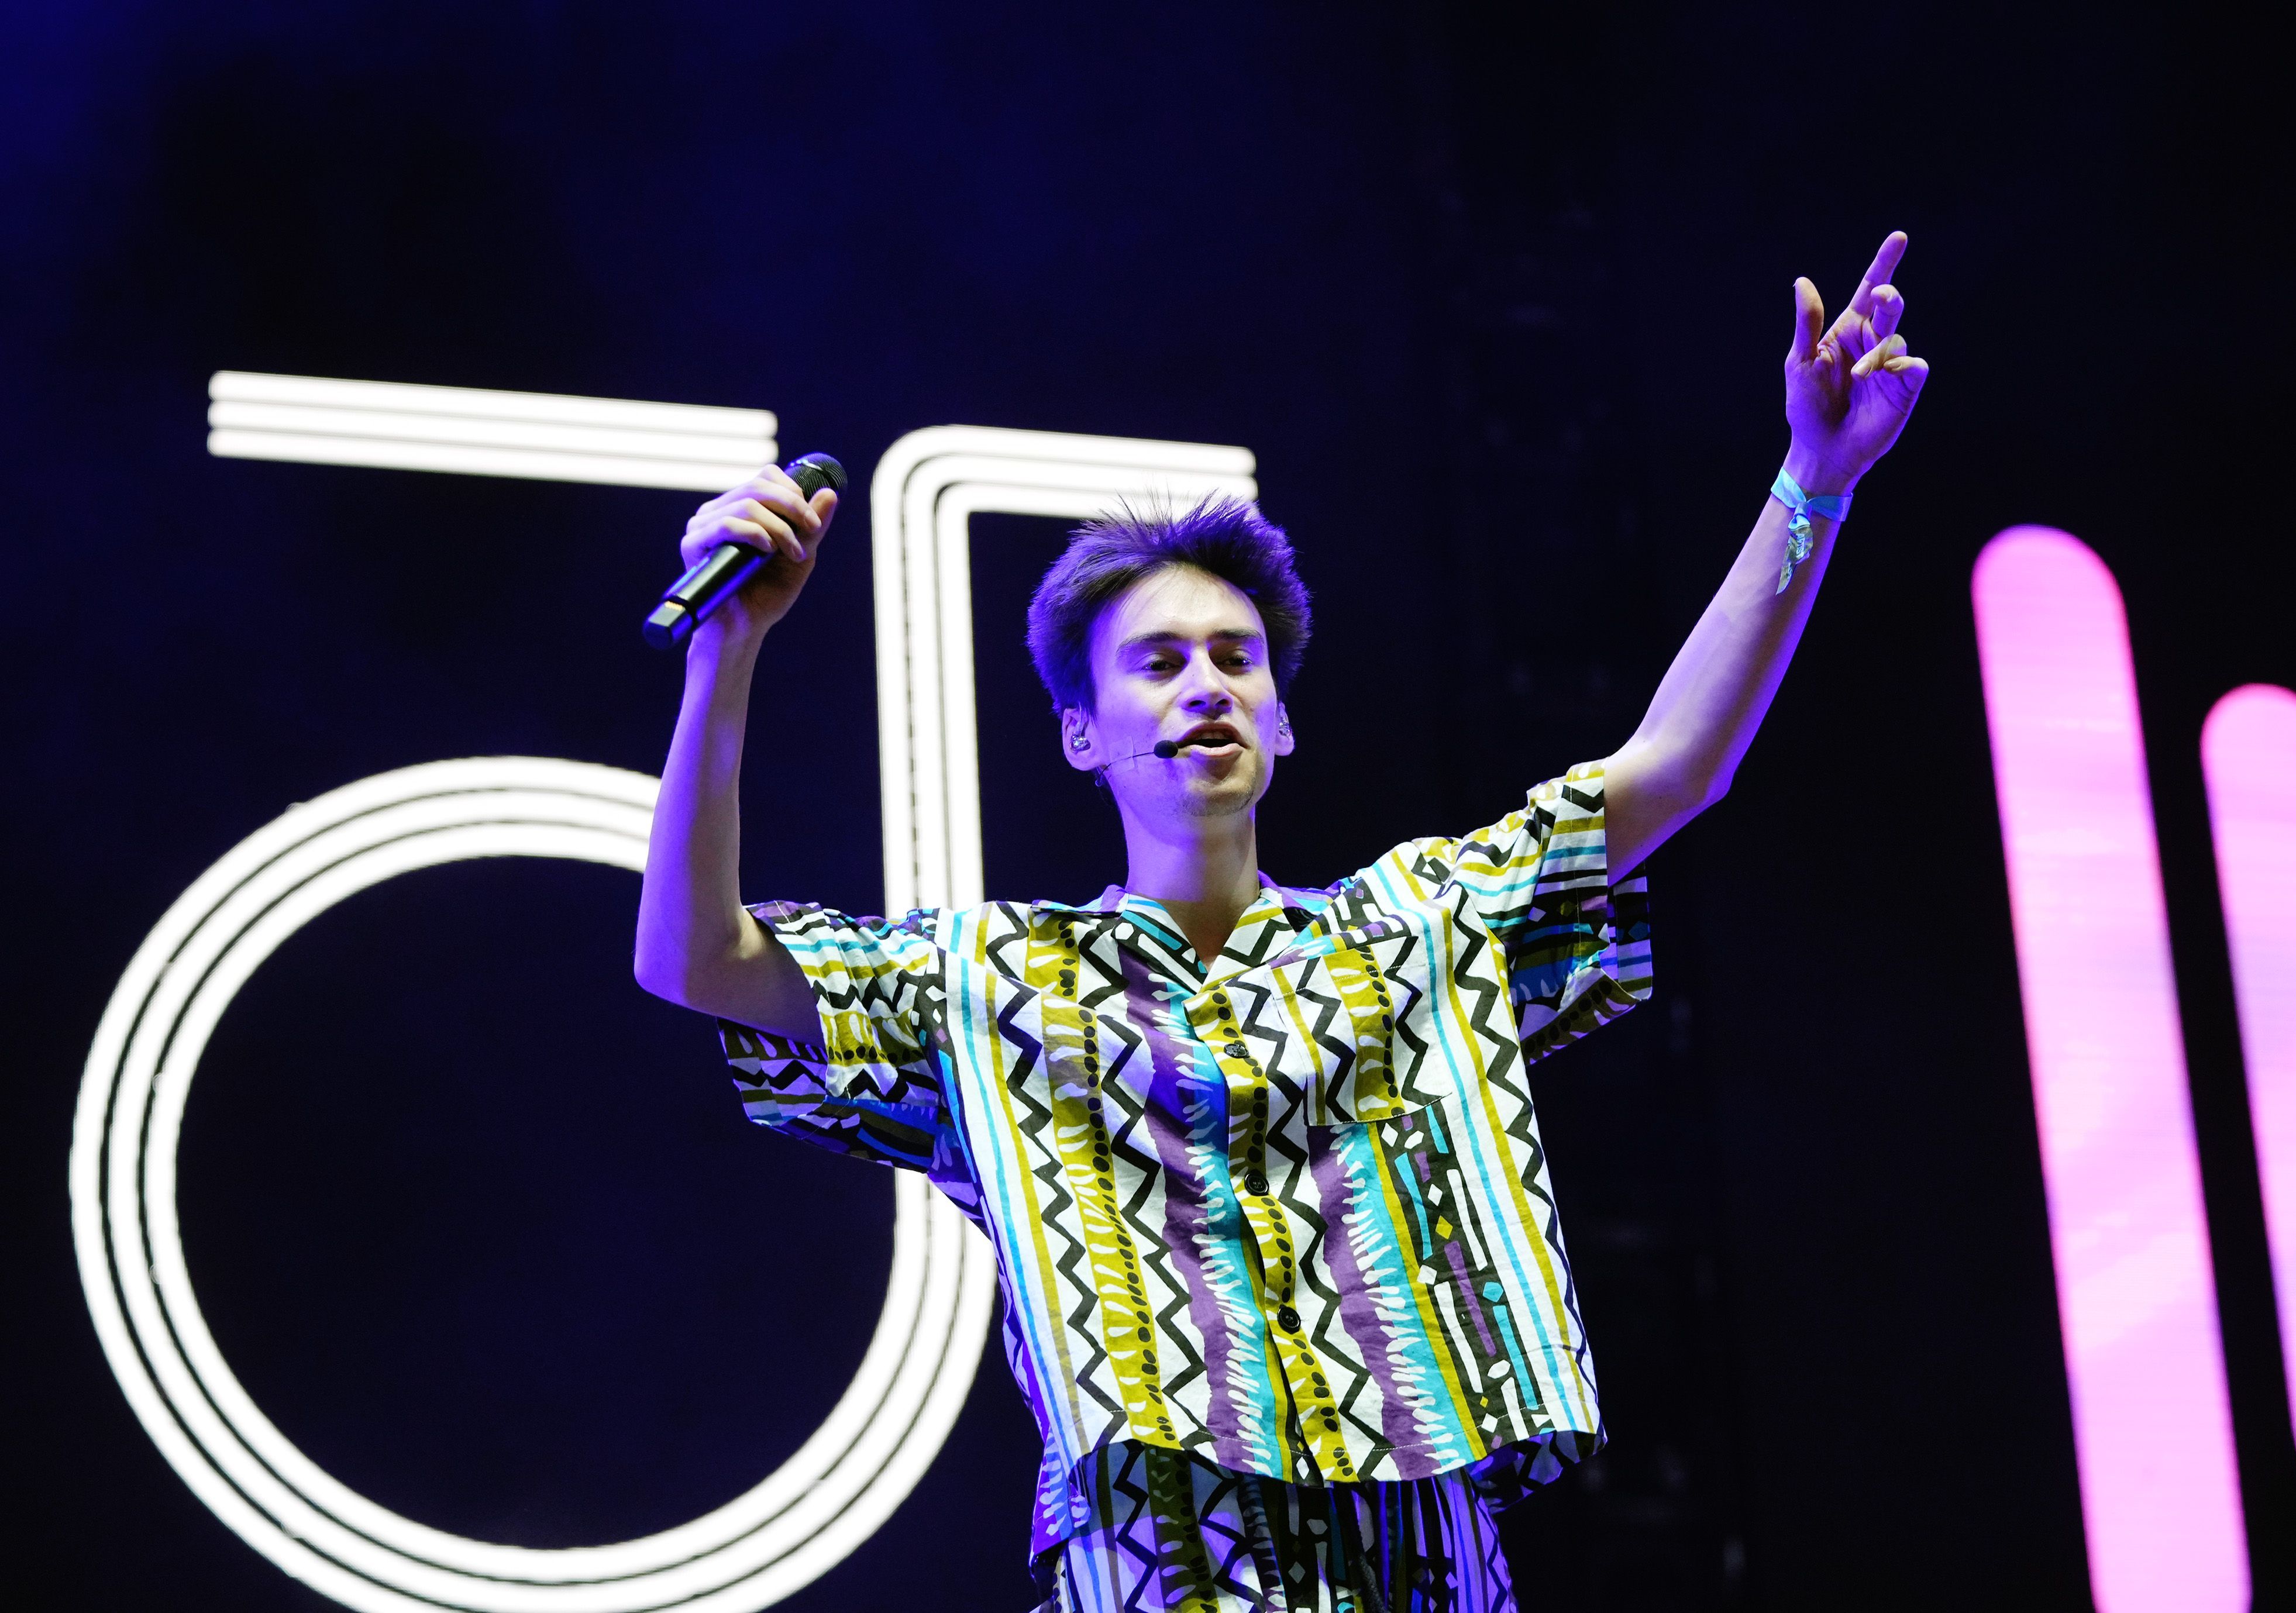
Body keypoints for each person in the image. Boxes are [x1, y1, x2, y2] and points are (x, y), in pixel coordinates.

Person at [635, 232, 1928, 1612]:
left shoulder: (1413, 923)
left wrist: (1811, 483)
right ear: (1080, 733)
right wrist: (728, 650)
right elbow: (695, 957)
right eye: (1157, 662)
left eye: (1235, 658)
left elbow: (1674, 767)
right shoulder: (991, 976)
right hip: (1154, 1558)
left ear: (1282, 718)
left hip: (1422, 1554)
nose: (1205, 684)